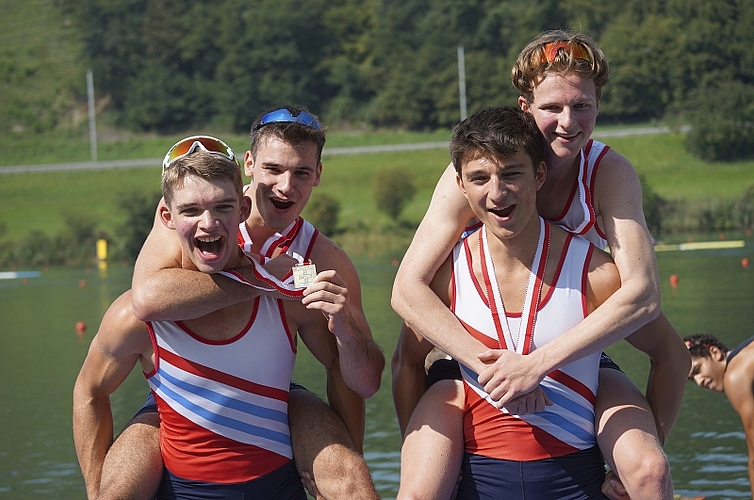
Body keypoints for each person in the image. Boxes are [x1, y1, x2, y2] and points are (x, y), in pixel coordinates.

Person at [391, 30, 689, 500]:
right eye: (553, 107)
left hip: (564, 335)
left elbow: (644, 294)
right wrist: (496, 369)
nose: (569, 122)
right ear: (525, 107)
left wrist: (536, 365)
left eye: (583, 106)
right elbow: (407, 288)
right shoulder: (476, 166)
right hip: (474, 343)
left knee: (649, 471)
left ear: (598, 105)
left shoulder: (608, 172)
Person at [80, 111, 385, 499]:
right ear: (249, 165)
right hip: (175, 401)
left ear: (318, 175)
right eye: (273, 169)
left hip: (274, 394)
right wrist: (263, 278)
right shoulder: (199, 206)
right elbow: (145, 299)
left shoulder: (319, 261)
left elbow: (357, 377)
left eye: (302, 174)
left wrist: (337, 456)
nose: (285, 187)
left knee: (349, 479)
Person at [425, 105, 621, 497]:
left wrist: (637, 456)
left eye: (512, 174)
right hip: (477, 471)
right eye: (480, 178)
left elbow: (670, 355)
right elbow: (404, 364)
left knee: (648, 469)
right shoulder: (443, 274)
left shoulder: (596, 274)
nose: (497, 193)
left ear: (539, 175)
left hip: (575, 474)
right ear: (461, 186)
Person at [685, 333, 754, 497]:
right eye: (692, 379)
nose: (699, 381)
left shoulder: (735, 376)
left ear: (715, 353)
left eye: (698, 370)